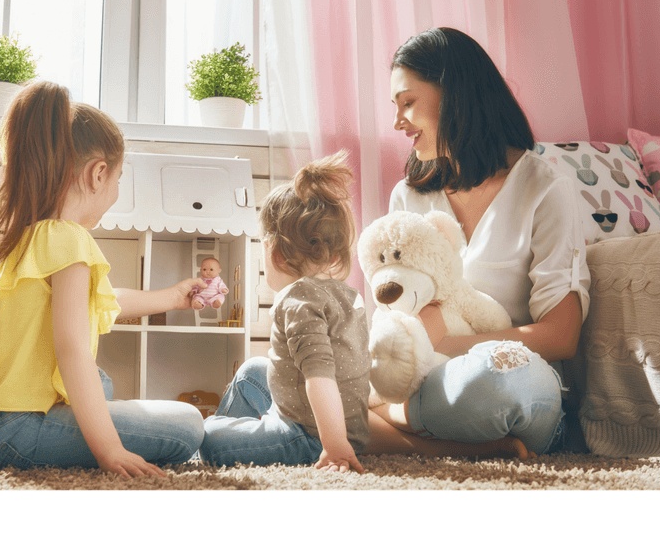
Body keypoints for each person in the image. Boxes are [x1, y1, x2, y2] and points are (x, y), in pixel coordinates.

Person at [0, 81, 207, 479]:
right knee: (188, 425)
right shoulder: (70, 240)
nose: (116, 190)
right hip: (10, 428)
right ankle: (99, 430)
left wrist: (173, 297)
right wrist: (110, 449)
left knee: (98, 383)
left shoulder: (31, 235)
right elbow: (72, 349)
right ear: (98, 174)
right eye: (119, 179)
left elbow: (98, 302)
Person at [365, 27, 591, 459]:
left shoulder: (545, 190)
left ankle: (380, 423)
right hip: (427, 380)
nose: (397, 122)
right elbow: (391, 316)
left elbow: (562, 336)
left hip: (510, 379)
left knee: (488, 386)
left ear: (454, 94)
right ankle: (470, 449)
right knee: (302, 375)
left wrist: (449, 346)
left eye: (407, 102)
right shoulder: (408, 197)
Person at [199, 151, 371, 473]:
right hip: (345, 427)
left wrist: (334, 447)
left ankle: (247, 441)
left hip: (310, 437)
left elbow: (320, 376)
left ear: (275, 253)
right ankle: (250, 436)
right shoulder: (348, 294)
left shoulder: (297, 301)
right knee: (253, 370)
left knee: (206, 438)